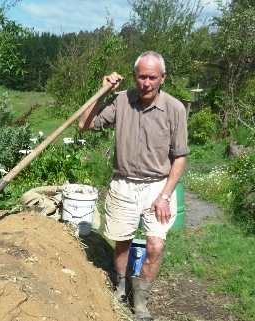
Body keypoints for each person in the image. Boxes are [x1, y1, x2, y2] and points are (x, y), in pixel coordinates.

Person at [78, 51, 190, 321]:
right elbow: (84, 124)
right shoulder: (121, 102)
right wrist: (102, 92)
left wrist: (165, 196)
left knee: (155, 246)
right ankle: (120, 287)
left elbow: (180, 157)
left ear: (162, 77)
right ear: (134, 77)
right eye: (142, 76)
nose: (147, 83)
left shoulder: (174, 108)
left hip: (158, 187)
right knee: (122, 241)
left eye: (153, 77)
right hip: (124, 184)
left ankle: (141, 302)